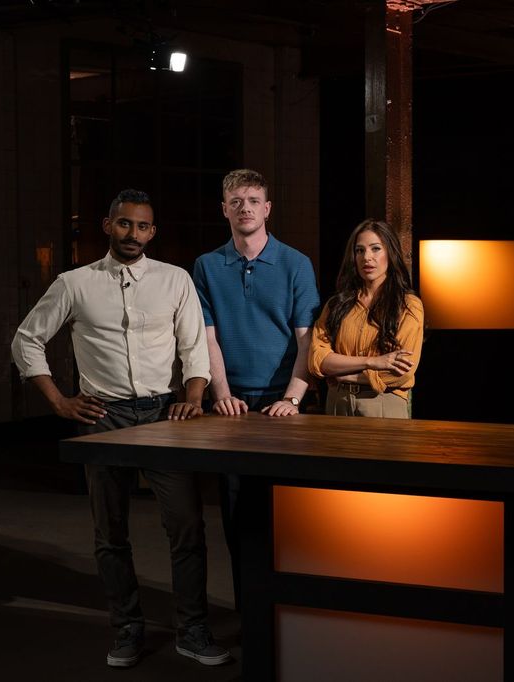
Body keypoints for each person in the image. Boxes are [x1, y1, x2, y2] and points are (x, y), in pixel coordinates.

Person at [11, 189, 230, 669]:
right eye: (125, 223)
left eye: (143, 226)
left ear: (153, 232)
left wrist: (193, 398)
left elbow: (194, 346)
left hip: (164, 416)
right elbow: (26, 340)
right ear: (108, 225)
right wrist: (59, 401)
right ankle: (126, 628)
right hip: (103, 417)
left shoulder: (174, 279)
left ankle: (193, 630)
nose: (134, 233)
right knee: (110, 530)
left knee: (187, 526)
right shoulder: (74, 283)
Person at [192, 168, 319, 610]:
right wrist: (221, 394)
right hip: (233, 408)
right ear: (224, 210)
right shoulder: (207, 265)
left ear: (267, 209)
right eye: (235, 201)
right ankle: (250, 614)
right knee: (236, 514)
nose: (244, 208)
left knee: (287, 512)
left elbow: (307, 340)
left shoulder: (296, 263)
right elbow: (207, 337)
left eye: (252, 201)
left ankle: (290, 612)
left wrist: (292, 398)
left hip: (284, 404)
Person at [309, 219, 423, 418]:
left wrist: (348, 375)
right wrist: (372, 362)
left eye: (375, 249)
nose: (366, 257)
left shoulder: (408, 305)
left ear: (390, 253)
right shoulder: (337, 305)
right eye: (359, 250)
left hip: (383, 402)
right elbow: (317, 360)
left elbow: (402, 373)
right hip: (338, 402)